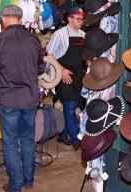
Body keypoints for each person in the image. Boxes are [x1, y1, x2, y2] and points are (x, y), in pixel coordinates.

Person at [0, 5, 45, 192]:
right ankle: (28, 180)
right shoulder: (34, 40)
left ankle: (15, 185)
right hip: (29, 98)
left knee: (10, 143)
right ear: (20, 19)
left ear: (3, 18)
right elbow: (41, 68)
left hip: (8, 98)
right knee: (28, 139)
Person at [46, 7, 86, 150]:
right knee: (69, 107)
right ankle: (76, 139)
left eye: (82, 19)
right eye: (78, 19)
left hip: (79, 76)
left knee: (74, 106)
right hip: (63, 75)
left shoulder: (83, 35)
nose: (81, 21)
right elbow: (49, 55)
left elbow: (85, 57)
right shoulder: (59, 34)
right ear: (69, 18)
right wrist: (62, 70)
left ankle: (62, 135)